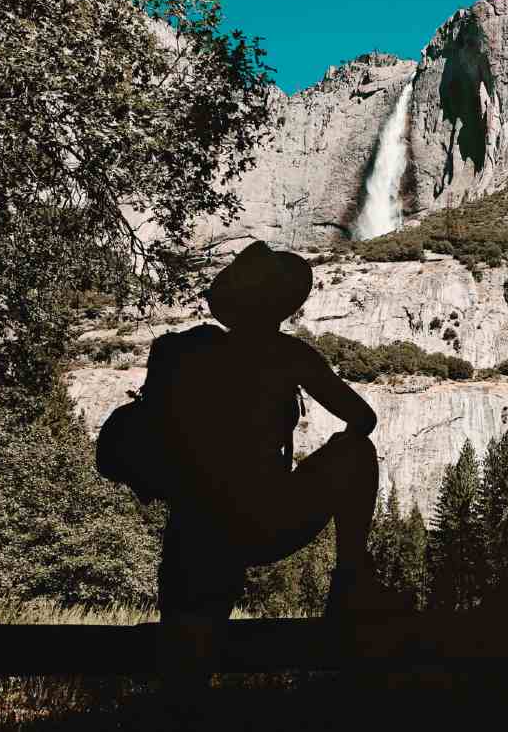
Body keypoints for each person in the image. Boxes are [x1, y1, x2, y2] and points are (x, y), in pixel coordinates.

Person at [148, 240, 405, 695]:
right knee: (355, 453)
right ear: (279, 305)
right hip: (264, 515)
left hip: (196, 527)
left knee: (185, 666)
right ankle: (348, 582)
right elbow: (363, 420)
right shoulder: (290, 354)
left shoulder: (184, 352)